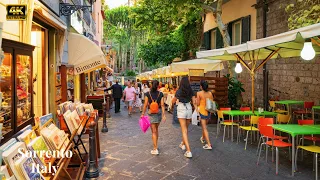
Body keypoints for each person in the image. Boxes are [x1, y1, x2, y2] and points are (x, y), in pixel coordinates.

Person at [171, 77, 195, 158]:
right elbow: (194, 101)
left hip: (181, 108)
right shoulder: (191, 90)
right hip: (189, 108)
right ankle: (183, 144)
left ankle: (188, 151)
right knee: (186, 129)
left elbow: (173, 101)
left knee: (184, 130)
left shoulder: (179, 91)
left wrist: (173, 103)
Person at [141, 80, 166, 155]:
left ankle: (155, 149)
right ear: (158, 85)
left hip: (151, 114)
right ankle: (156, 145)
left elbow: (145, 104)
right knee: (156, 129)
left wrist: (142, 113)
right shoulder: (161, 94)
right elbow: (162, 105)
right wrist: (164, 114)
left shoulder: (147, 94)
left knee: (153, 131)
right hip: (158, 113)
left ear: (151, 85)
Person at [197, 80, 213, 150]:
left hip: (202, 111)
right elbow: (212, 102)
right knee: (205, 126)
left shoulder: (199, 93)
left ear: (201, 86)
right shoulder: (210, 93)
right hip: (208, 111)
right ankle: (203, 138)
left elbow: (197, 103)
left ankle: (209, 144)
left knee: (204, 128)